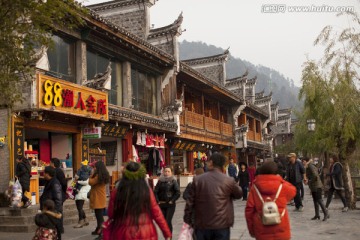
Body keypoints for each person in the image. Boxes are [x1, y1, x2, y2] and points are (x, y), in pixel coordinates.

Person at [102, 162, 171, 240]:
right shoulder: (147, 191)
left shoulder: (117, 191)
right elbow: (157, 214)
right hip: (145, 232)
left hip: (123, 232)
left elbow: (111, 214)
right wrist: (167, 234)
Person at [184, 152, 243, 240]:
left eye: (208, 161)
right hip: (222, 224)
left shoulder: (198, 180)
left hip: (202, 224)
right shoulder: (228, 180)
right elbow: (239, 194)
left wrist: (188, 220)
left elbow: (189, 203)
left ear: (211, 162)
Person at [245, 161, 296, 240]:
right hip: (281, 226)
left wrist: (251, 230)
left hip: (261, 228)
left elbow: (249, 210)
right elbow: (293, 191)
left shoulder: (254, 188)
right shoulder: (282, 186)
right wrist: (280, 179)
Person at [154, 166, 181, 234]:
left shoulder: (173, 181)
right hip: (161, 204)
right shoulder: (160, 181)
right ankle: (167, 236)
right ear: (163, 172)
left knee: (167, 221)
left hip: (170, 204)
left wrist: (172, 200)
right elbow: (155, 191)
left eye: (168, 171)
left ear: (171, 173)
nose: (167, 173)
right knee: (164, 221)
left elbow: (178, 192)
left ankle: (169, 237)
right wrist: (157, 201)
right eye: (165, 171)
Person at [40, 166, 63, 240]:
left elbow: (58, 199)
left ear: (48, 174)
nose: (43, 174)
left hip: (53, 212)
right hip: (49, 210)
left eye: (44, 173)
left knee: (55, 231)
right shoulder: (49, 182)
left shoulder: (55, 183)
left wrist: (56, 212)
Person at [89, 160, 110, 236]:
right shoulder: (102, 175)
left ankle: (101, 232)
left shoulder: (98, 176)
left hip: (98, 197)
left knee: (99, 217)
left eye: (94, 167)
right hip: (100, 197)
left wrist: (91, 175)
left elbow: (90, 182)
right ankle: (98, 229)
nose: (94, 168)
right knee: (98, 215)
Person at [73, 160, 92, 228]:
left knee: (79, 207)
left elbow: (76, 178)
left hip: (80, 191)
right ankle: (85, 220)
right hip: (85, 191)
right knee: (80, 207)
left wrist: (77, 181)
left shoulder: (81, 170)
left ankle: (80, 221)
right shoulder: (90, 170)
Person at [50, 158, 67, 234]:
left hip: (58, 195)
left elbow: (64, 183)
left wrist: (62, 192)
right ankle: (57, 228)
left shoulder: (58, 171)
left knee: (58, 211)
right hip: (58, 194)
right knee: (57, 211)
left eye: (50, 163)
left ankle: (59, 228)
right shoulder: (56, 171)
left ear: (53, 163)